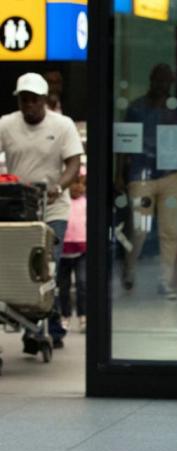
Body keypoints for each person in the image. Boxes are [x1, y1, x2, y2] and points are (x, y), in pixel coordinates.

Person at [0, 72, 84, 349]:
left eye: (34, 100)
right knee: (16, 269)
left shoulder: (62, 125)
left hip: (51, 208)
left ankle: (40, 328)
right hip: (16, 208)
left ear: (44, 100)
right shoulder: (6, 124)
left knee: (47, 267)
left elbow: (73, 162)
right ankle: (40, 322)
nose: (28, 105)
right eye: (24, 100)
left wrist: (58, 186)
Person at [118, 63, 177, 300]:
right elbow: (124, 142)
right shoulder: (137, 108)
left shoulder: (176, 108)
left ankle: (165, 280)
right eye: (159, 80)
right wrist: (120, 173)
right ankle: (129, 269)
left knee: (170, 231)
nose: (162, 85)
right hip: (142, 173)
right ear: (151, 80)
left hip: (171, 174)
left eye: (167, 81)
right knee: (139, 229)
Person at [59, 171, 87, 333]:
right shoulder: (63, 202)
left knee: (82, 283)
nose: (78, 187)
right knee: (63, 287)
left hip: (82, 249)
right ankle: (65, 315)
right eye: (74, 183)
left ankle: (83, 316)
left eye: (81, 184)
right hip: (63, 250)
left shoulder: (86, 203)